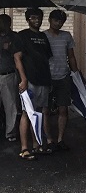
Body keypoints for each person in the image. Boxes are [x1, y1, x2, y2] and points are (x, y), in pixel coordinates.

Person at [14, 8, 52, 159]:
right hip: (29, 81)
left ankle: (37, 144)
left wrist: (49, 80)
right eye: (33, 17)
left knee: (39, 113)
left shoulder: (43, 36)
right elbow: (17, 58)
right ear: (28, 19)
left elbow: (47, 58)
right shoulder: (22, 36)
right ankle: (24, 148)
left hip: (43, 80)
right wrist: (23, 79)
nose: (37, 20)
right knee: (26, 113)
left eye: (39, 18)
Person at [44, 9, 77, 152]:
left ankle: (60, 139)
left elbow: (71, 56)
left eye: (60, 21)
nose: (58, 23)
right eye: (55, 20)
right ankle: (49, 140)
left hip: (63, 76)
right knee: (45, 109)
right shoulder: (43, 36)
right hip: (46, 77)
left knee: (63, 109)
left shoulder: (67, 36)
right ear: (50, 20)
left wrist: (75, 74)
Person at [0, 14, 19, 142]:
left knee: (10, 105)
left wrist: (9, 47)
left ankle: (10, 133)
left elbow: (19, 53)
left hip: (9, 74)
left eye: (5, 22)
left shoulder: (15, 36)